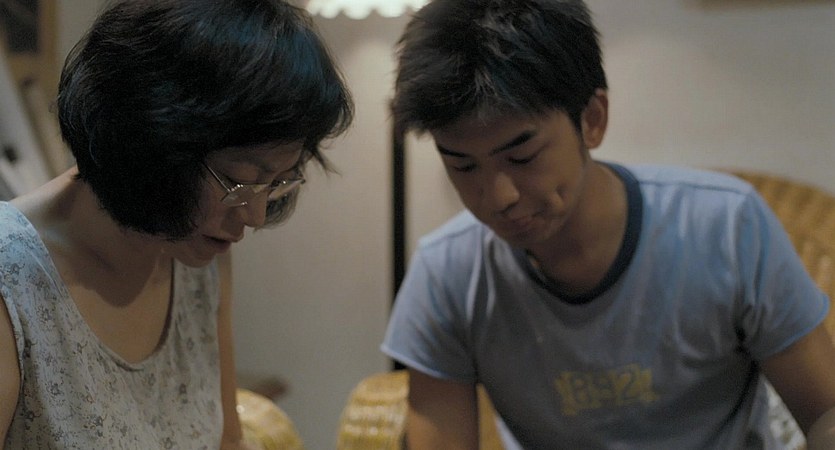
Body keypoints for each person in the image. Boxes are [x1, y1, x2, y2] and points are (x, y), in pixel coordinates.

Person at [381, 0, 835, 448]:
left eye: (522, 157)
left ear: (592, 119)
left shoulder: (726, 228)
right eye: (463, 166)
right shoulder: (447, 275)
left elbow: (826, 414)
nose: (499, 197)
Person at [0, 0, 352, 448]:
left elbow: (226, 442)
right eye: (240, 180)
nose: (255, 215)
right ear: (147, 145)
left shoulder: (197, 258)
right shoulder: (12, 278)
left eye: (279, 181)